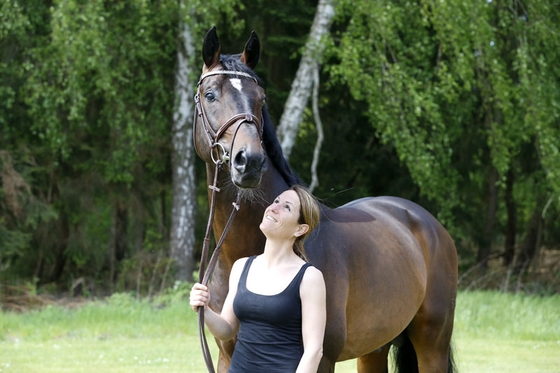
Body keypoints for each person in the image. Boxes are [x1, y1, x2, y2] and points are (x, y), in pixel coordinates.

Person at [190, 185, 326, 373]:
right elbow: (227, 330)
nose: (273, 207)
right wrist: (204, 310)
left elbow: (314, 350)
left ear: (300, 229)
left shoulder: (309, 277)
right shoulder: (241, 267)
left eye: (287, 207)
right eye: (276, 201)